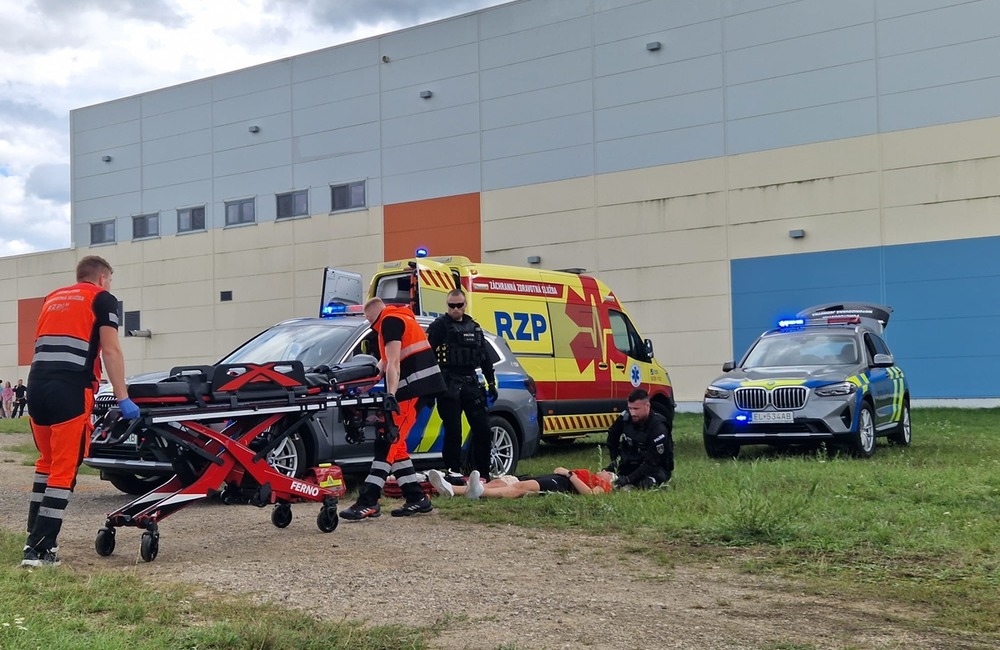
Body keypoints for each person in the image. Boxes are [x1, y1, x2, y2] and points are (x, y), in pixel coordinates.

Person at [21, 255, 140, 568]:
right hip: (70, 391)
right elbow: (111, 349)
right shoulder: (103, 299)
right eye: (110, 280)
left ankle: (34, 537)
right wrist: (123, 397)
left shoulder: (52, 298)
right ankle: (40, 551)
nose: (110, 285)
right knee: (64, 468)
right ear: (101, 278)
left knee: (46, 463)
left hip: (37, 387)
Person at [340, 297, 446, 520]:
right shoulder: (398, 318)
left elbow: (394, 362)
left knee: (387, 441)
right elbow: (384, 364)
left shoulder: (389, 322)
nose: (370, 325)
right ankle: (416, 498)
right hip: (418, 388)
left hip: (411, 391)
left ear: (372, 317)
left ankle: (368, 501)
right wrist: (361, 387)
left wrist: (390, 395)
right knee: (396, 447)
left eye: (369, 321)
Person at [426, 288, 499, 484]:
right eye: (452, 306)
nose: (456, 309)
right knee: (453, 430)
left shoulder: (474, 327)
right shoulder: (439, 327)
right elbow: (427, 357)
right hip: (448, 383)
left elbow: (484, 358)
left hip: (471, 382)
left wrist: (491, 382)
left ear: (465, 305)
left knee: (483, 429)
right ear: (447, 305)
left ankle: (483, 473)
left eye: (459, 305)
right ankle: (453, 471)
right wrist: (428, 387)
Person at [605, 388, 673, 490]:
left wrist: (628, 479)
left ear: (647, 406)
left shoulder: (658, 427)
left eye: (636, 409)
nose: (632, 413)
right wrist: (616, 459)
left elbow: (652, 462)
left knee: (644, 485)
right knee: (602, 475)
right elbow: (612, 436)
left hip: (654, 468)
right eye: (630, 408)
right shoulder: (626, 417)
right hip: (629, 462)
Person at [428, 467, 615, 499]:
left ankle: (479, 492)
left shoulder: (604, 484)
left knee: (520, 488)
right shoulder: (591, 474)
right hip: (552, 477)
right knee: (501, 481)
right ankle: (451, 488)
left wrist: (570, 474)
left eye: (609, 472)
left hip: (562, 483)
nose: (605, 471)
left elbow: (590, 495)